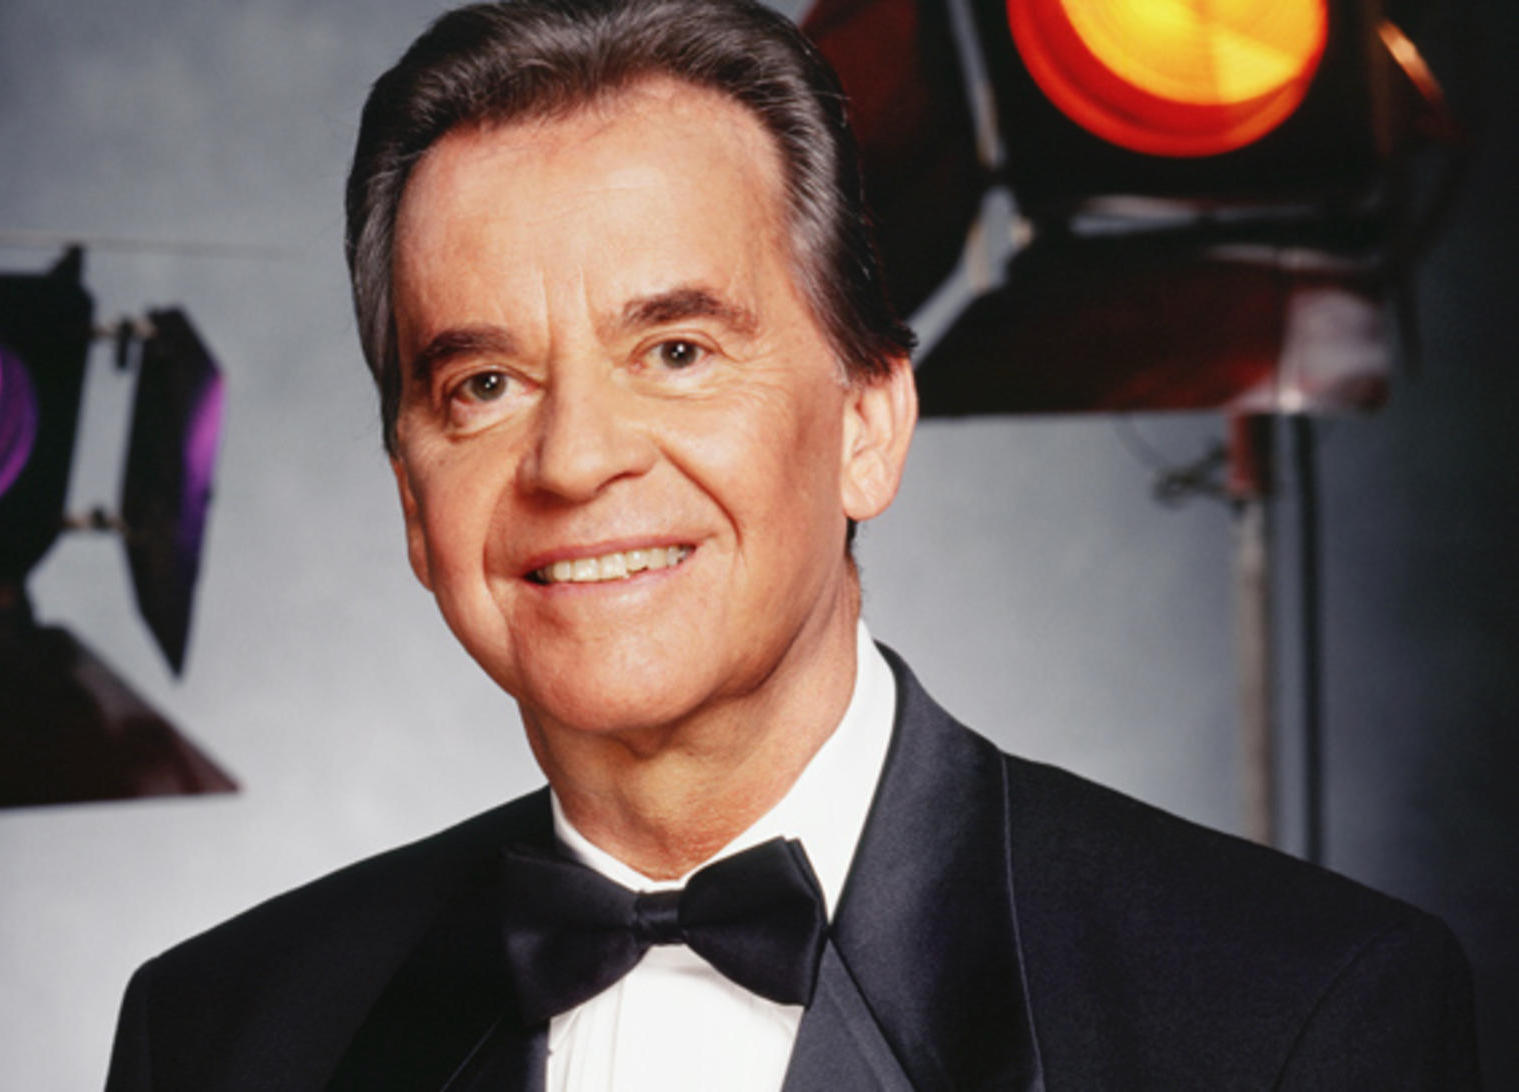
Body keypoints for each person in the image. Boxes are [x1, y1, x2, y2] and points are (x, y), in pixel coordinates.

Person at [105, 1, 1479, 1088]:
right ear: (415, 504)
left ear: (868, 424)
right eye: (485, 384)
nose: (575, 459)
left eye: (678, 351)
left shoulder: (1301, 1019)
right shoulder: (218, 1037)